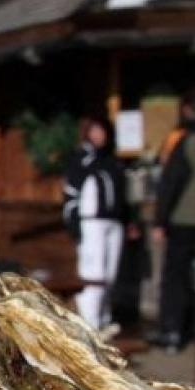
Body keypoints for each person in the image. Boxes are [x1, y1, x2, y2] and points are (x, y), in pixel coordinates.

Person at [63, 117, 129, 332]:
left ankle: (104, 318)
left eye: (103, 131)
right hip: (92, 223)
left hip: (114, 222)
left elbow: (122, 195)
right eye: (95, 130)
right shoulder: (81, 159)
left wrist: (129, 220)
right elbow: (71, 193)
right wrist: (74, 224)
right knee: (94, 275)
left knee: (110, 275)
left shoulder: (112, 161)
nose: (100, 135)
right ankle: (90, 325)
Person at [151, 88, 195, 352]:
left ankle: (172, 331)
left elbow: (171, 183)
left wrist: (160, 221)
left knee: (175, 277)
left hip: (183, 220)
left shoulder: (182, 141)